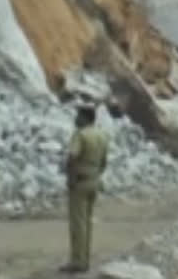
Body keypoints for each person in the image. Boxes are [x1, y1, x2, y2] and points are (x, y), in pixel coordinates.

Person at [59, 107, 109, 274]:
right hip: (94, 181)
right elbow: (104, 162)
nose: (76, 118)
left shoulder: (80, 135)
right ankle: (85, 259)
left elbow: (72, 156)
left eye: (78, 115)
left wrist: (70, 176)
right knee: (87, 223)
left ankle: (77, 261)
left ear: (85, 118)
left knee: (77, 224)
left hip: (79, 182)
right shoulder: (102, 135)